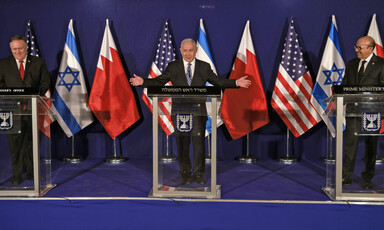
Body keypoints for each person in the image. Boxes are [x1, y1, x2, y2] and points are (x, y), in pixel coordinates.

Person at [130, 38, 251, 185]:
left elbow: (218, 81)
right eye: (185, 50)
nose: (188, 54)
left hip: (198, 111)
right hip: (179, 112)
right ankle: (185, 174)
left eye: (190, 50)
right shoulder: (173, 66)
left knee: (199, 145)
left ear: (196, 51)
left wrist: (236, 83)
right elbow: (159, 81)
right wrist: (143, 82)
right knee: (182, 145)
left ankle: (199, 174)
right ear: (181, 51)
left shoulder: (204, 67)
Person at [0, 35, 50, 185]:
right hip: (11, 109)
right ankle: (16, 174)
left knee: (31, 141)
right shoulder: (3, 64)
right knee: (14, 143)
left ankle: (32, 172)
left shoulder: (38, 62)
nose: (17, 51)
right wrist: (12, 93)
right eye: (14, 49)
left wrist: (35, 93)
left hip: (32, 107)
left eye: (20, 48)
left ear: (26, 47)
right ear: (11, 49)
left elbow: (45, 82)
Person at [341, 36, 384, 189]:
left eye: (359, 48)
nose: (356, 50)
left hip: (372, 113)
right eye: (356, 47)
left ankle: (368, 178)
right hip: (354, 111)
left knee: (371, 147)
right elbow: (345, 85)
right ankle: (346, 177)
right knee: (349, 146)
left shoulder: (381, 64)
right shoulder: (352, 64)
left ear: (370, 49)